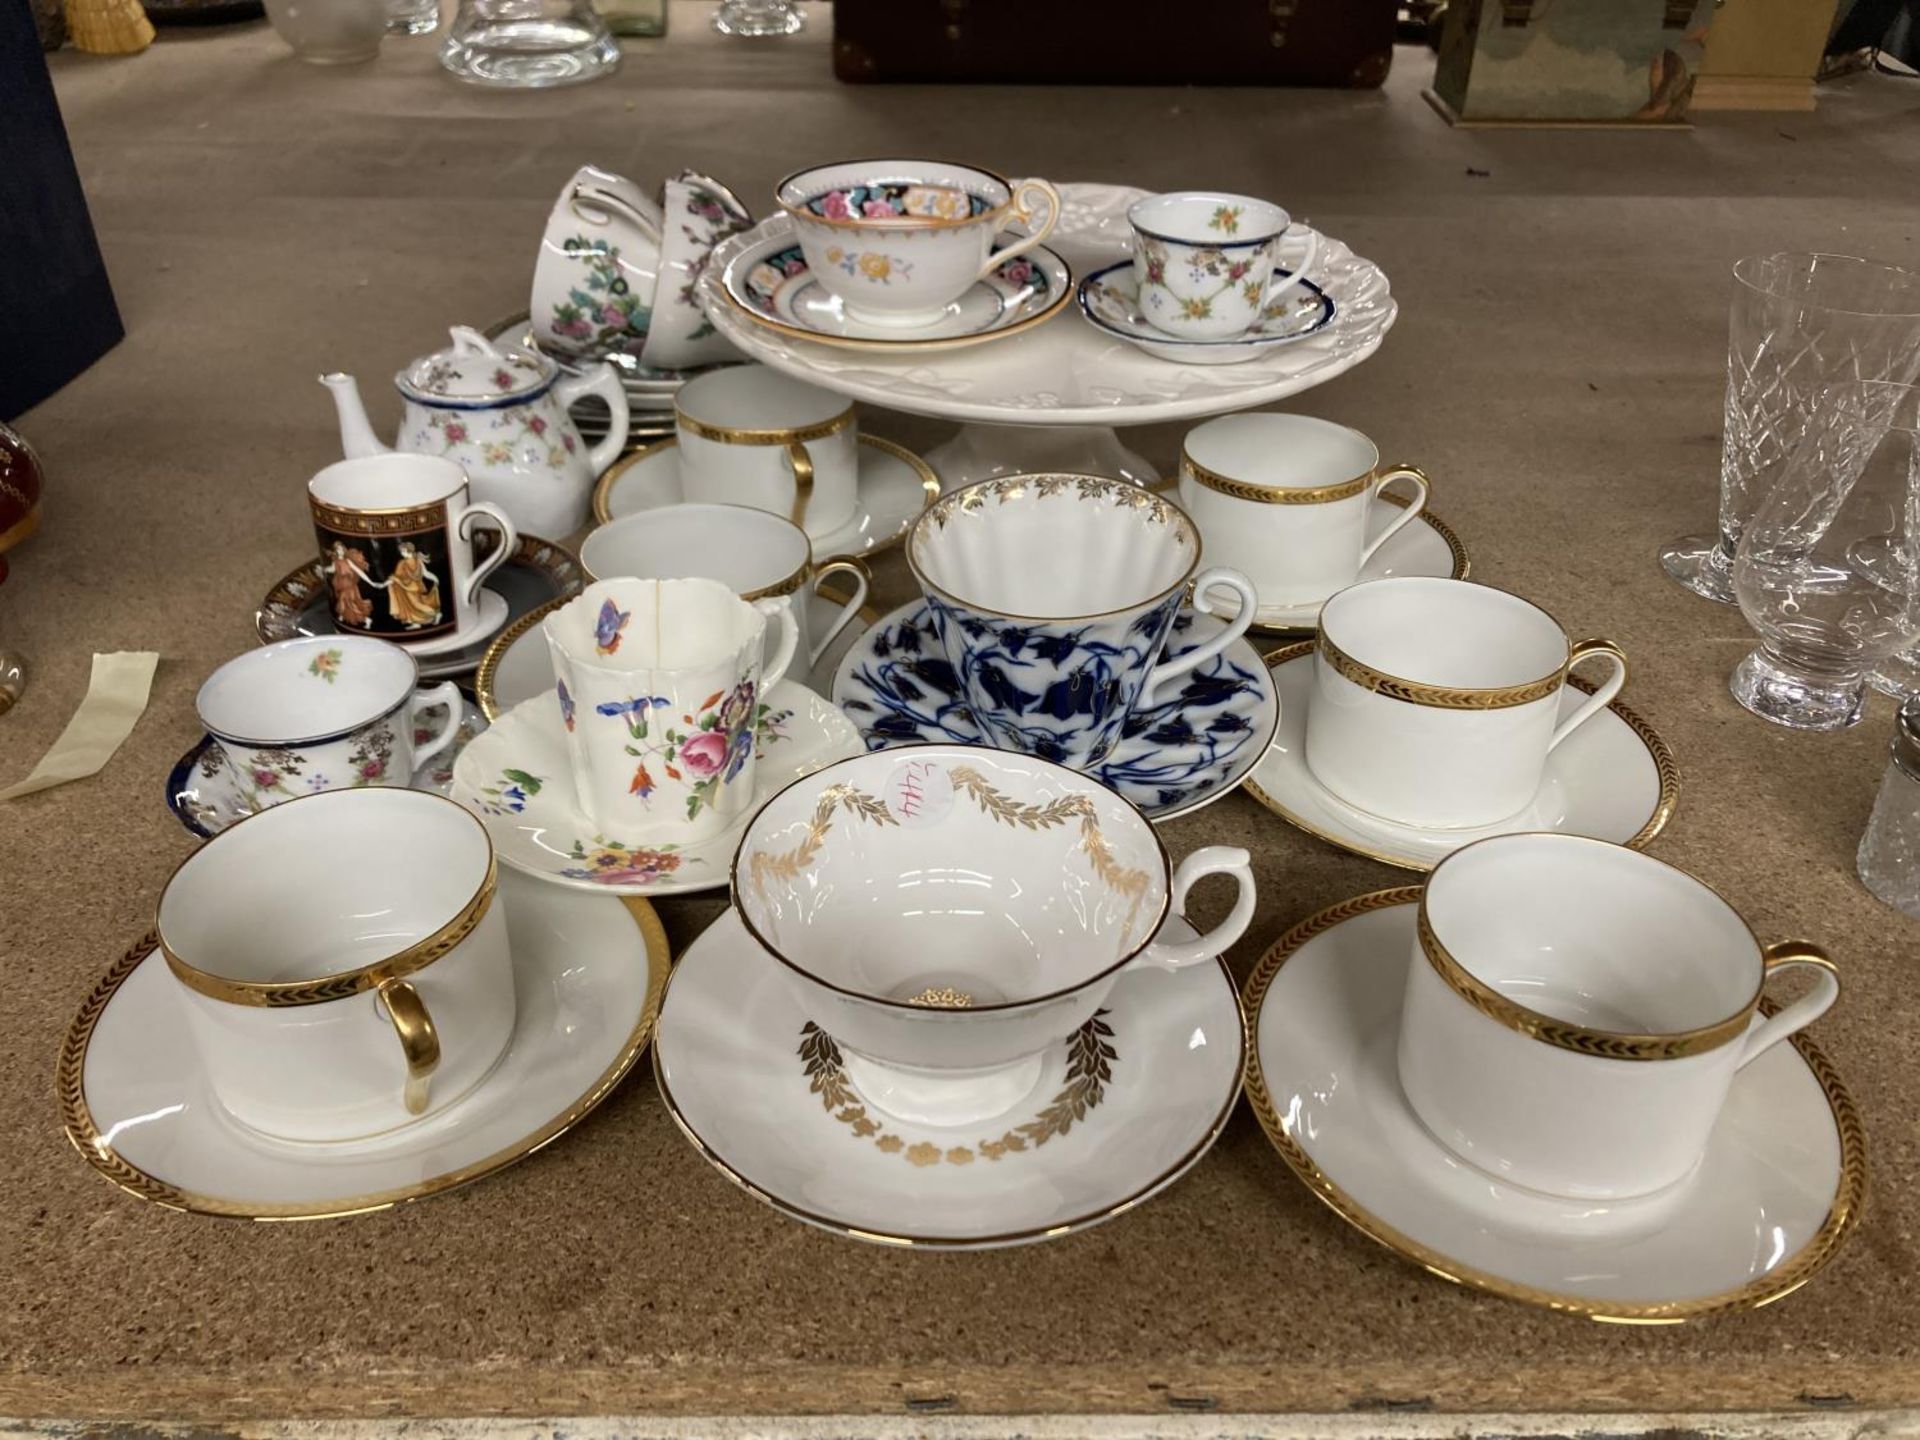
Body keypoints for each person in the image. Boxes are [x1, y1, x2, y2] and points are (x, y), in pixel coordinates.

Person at [386, 540, 442, 629]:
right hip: (411, 588)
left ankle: (436, 614)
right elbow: (426, 573)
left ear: (408, 550)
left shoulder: (403, 563)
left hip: (410, 588)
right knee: (412, 606)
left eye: (402, 551)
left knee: (417, 605)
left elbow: (396, 577)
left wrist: (435, 578)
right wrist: (435, 578)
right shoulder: (416, 560)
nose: (401, 553)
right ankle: (415, 623)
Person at [325, 540, 376, 628]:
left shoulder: (348, 561)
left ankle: (366, 620)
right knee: (345, 603)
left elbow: (359, 571)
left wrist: (370, 582)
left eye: (341, 549)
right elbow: (332, 569)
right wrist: (325, 569)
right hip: (343, 587)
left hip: (350, 588)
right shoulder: (336, 562)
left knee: (349, 603)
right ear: (336, 551)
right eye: (338, 550)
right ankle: (342, 618)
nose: (340, 551)